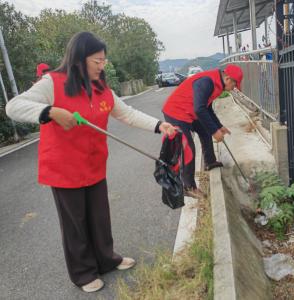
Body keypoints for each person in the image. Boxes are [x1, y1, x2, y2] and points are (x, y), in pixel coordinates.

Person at [5, 32, 175, 293]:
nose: (102, 65)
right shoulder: (53, 83)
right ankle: (83, 273)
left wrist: (158, 125)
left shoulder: (101, 88)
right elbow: (14, 106)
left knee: (99, 217)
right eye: (97, 60)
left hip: (94, 165)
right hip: (63, 169)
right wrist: (49, 111)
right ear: (79, 59)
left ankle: (107, 259)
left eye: (104, 60)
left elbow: (126, 113)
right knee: (76, 222)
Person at [162, 64, 243, 199]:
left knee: (205, 131)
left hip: (190, 111)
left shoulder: (217, 84)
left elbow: (207, 108)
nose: (233, 89)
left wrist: (218, 126)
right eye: (234, 85)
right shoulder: (208, 82)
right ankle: (188, 187)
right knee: (188, 148)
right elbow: (200, 109)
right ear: (228, 79)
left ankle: (210, 162)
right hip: (176, 112)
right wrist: (214, 132)